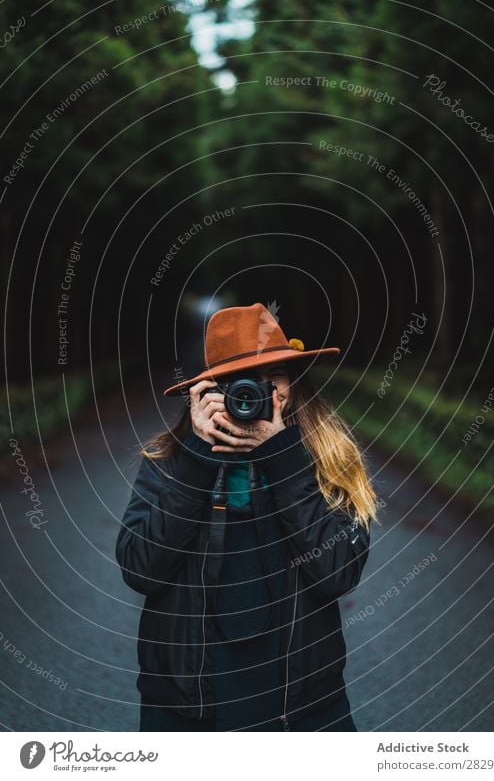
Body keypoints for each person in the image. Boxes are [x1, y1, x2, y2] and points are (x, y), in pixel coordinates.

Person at [115, 302, 379, 731]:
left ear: (291, 384)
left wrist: (283, 460)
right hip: (188, 705)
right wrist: (196, 460)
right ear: (206, 392)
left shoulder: (327, 459)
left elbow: (339, 573)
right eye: (237, 384)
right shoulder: (170, 462)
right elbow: (141, 570)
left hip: (302, 705)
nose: (254, 395)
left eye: (270, 378)